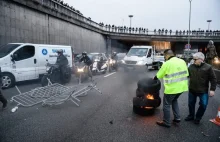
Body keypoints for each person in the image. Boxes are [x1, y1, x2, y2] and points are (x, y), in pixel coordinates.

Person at [153, 49, 189, 128]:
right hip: (182, 87)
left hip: (171, 89)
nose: (164, 58)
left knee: (166, 105)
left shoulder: (167, 63)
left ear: (167, 55)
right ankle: (177, 118)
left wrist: (154, 78)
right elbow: (187, 73)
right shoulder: (182, 61)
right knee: (174, 101)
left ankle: (166, 122)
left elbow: (159, 75)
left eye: (164, 56)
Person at [185, 52, 217, 124]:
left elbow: (213, 79)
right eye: (193, 59)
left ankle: (198, 118)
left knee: (203, 105)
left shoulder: (208, 67)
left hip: (203, 90)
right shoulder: (191, 67)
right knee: (191, 104)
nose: (193, 61)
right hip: (192, 89)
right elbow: (186, 76)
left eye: (195, 59)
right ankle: (191, 116)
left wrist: (212, 89)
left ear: (201, 59)